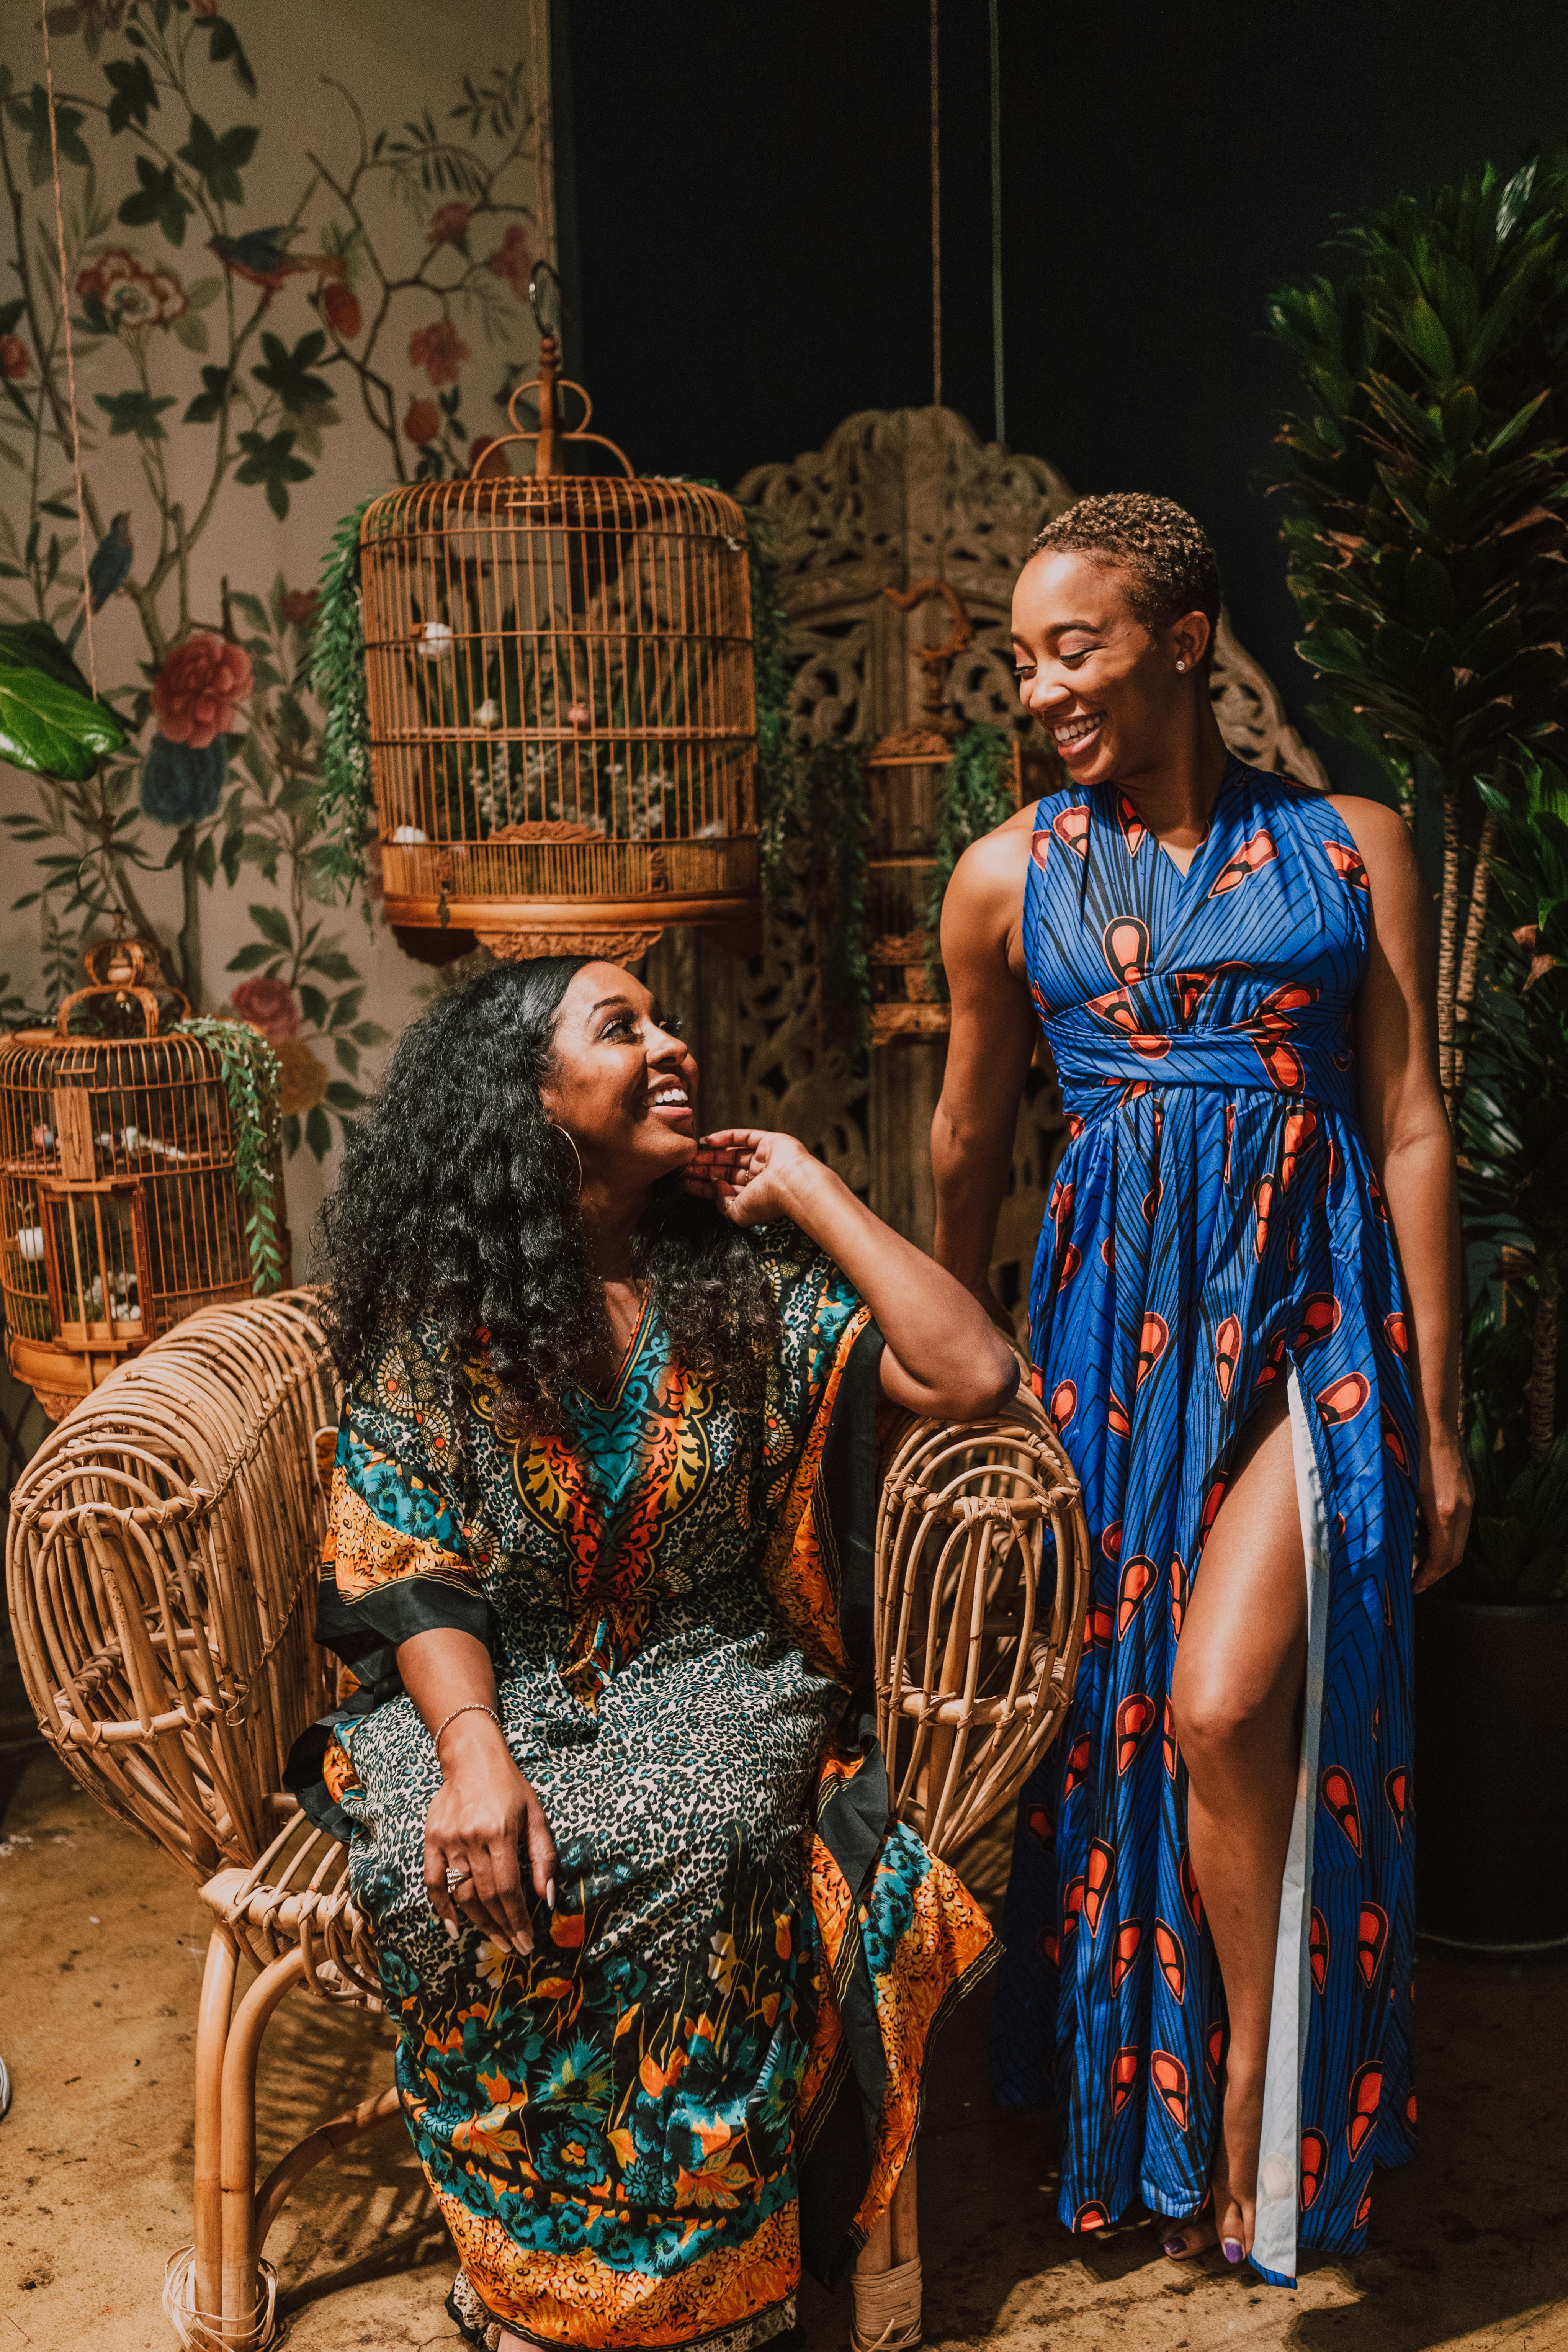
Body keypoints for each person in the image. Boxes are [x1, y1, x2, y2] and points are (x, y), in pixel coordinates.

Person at [290, 954, 1016, 2352]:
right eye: (622, 1028)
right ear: (528, 1096)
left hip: (712, 1668)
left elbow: (973, 1369)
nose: (673, 1045)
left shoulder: (744, 1285)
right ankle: (531, 2271)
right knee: (437, 1861)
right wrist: (473, 1755)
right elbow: (407, 1559)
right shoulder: (446, 1315)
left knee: (706, 1832)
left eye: (669, 1019)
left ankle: (705, 2301)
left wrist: (804, 1184)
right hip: (479, 1686)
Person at [930, 494, 1470, 2285]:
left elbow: (1404, 1125)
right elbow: (964, 1141)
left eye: (1069, 647)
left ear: (1182, 636)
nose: (1040, 688)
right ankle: (1146, 2100)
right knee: (1130, 1719)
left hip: (1321, 1323)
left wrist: (1438, 1412)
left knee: (1229, 1706)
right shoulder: (1008, 875)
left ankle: (1258, 2077)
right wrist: (956, 1377)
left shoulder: (1353, 843)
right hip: (1115, 1355)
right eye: (1021, 660)